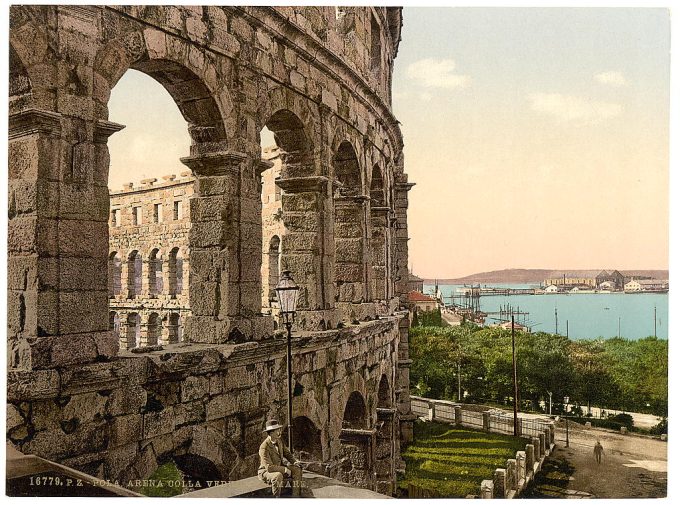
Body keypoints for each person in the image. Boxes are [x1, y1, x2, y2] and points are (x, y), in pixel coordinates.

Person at [258, 419, 303, 497]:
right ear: (271, 433)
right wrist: (285, 469)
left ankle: (295, 497)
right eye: (277, 430)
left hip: (279, 467)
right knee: (278, 475)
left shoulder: (279, 441)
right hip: (266, 472)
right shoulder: (264, 447)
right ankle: (277, 498)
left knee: (297, 469)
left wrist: (294, 462)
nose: (280, 432)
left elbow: (287, 453)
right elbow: (269, 468)